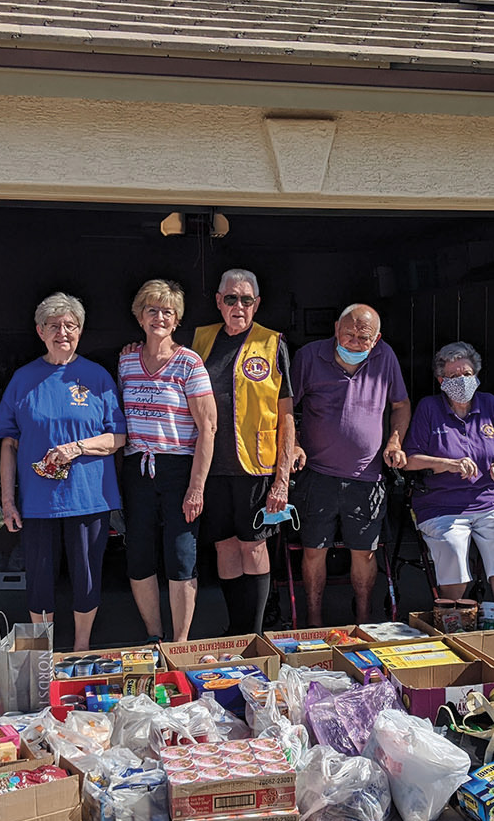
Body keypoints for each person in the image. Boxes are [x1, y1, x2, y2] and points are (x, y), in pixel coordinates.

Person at [0, 293, 127, 651]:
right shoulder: (24, 379)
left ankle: (82, 646)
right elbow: (7, 443)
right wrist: (8, 500)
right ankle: (44, 651)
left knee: (86, 577)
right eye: (54, 326)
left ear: (80, 331)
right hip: (37, 501)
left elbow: (118, 437)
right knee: (39, 579)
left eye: (70, 325)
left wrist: (77, 448)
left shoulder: (97, 377)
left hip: (87, 496)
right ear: (40, 331)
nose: (62, 332)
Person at [289, 303, 410, 625]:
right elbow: (285, 407)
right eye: (348, 335)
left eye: (363, 338)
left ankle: (364, 620)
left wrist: (394, 442)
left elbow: (401, 404)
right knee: (314, 549)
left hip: (367, 476)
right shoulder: (310, 356)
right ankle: (313, 621)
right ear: (335, 329)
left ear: (377, 338)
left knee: (364, 551)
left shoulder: (385, 357)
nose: (355, 342)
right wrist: (295, 444)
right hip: (317, 474)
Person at [191, 268, 296, 634]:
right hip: (212, 465)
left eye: (246, 299)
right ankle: (235, 629)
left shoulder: (272, 342)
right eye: (231, 298)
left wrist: (281, 480)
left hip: (256, 467)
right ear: (219, 302)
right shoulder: (200, 340)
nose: (239, 306)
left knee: (253, 547)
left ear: (257, 303)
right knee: (224, 547)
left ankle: (256, 631)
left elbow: (287, 417)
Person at [118, 280, 217, 643]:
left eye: (167, 312)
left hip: (179, 469)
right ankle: (155, 637)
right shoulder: (126, 360)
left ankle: (180, 642)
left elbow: (208, 427)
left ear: (176, 321)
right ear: (140, 316)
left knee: (181, 557)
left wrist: (196, 486)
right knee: (139, 557)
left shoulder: (189, 363)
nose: (159, 317)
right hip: (138, 469)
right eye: (152, 310)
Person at [403, 341, 494, 604]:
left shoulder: (490, 404)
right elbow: (409, 460)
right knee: (453, 545)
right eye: (454, 376)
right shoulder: (429, 408)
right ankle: (456, 618)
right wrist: (447, 463)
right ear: (441, 380)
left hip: (492, 502)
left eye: (467, 375)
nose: (461, 381)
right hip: (442, 505)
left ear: (477, 376)